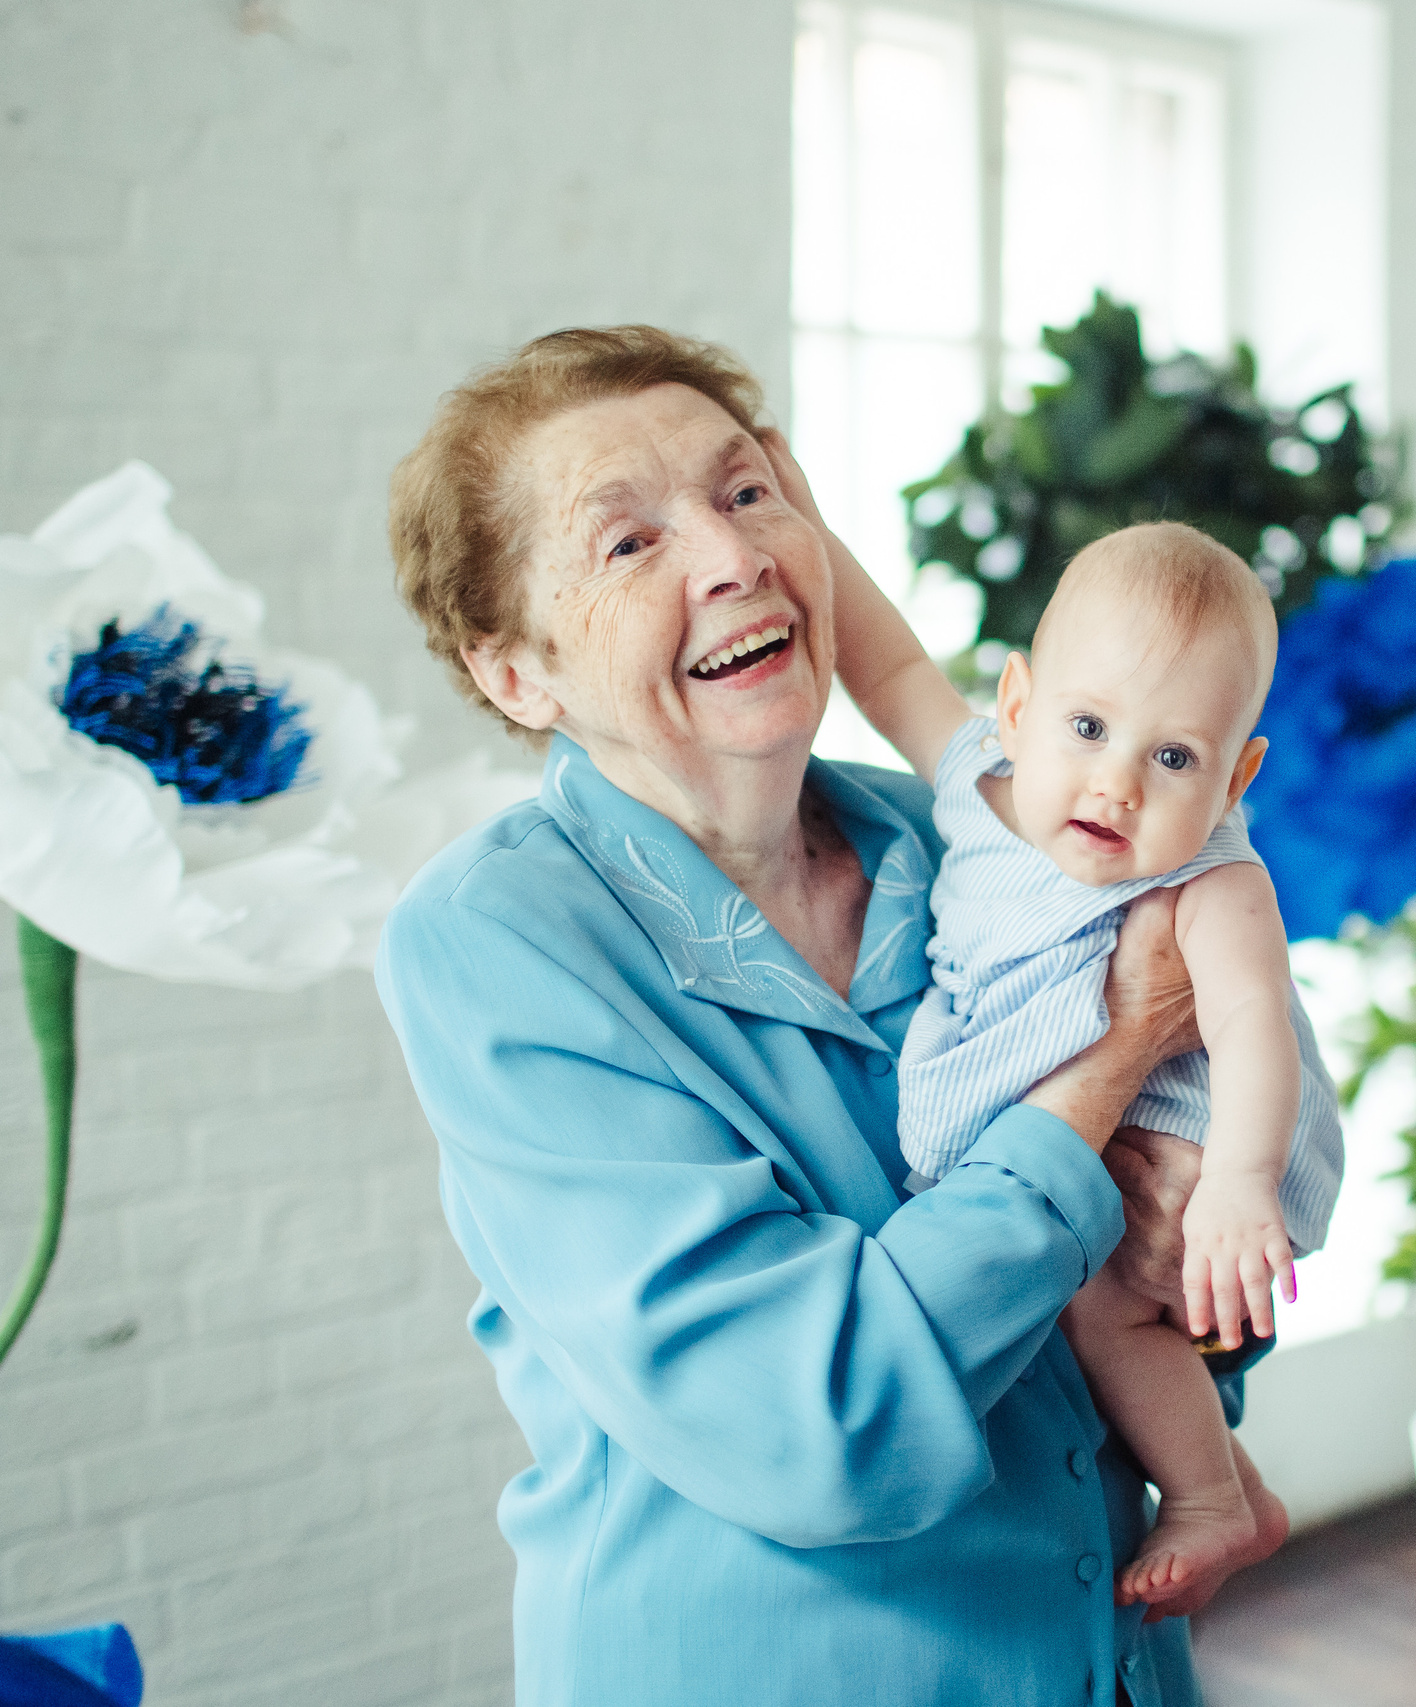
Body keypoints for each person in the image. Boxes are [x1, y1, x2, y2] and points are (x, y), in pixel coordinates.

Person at [375, 325, 1276, 1707]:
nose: (732, 557)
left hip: (1113, 1659)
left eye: (748, 493)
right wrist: (1103, 1075)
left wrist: (1197, 1257)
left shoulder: (979, 834)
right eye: (629, 542)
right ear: (516, 674)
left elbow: (1218, 1213)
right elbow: (822, 1426)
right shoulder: (497, 942)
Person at [832, 521, 1343, 1610]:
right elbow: (887, 665)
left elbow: (1254, 1023)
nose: (1116, 785)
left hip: (1197, 1141)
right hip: (1073, 1121)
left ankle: (1207, 1497)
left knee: (1103, 1309)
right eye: (1089, 727)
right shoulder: (977, 777)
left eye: (1174, 758)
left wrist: (1239, 1184)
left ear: (1237, 776)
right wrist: (794, 521)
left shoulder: (1213, 880)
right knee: (1069, 1309)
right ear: (1015, 707)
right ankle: (1236, 1486)